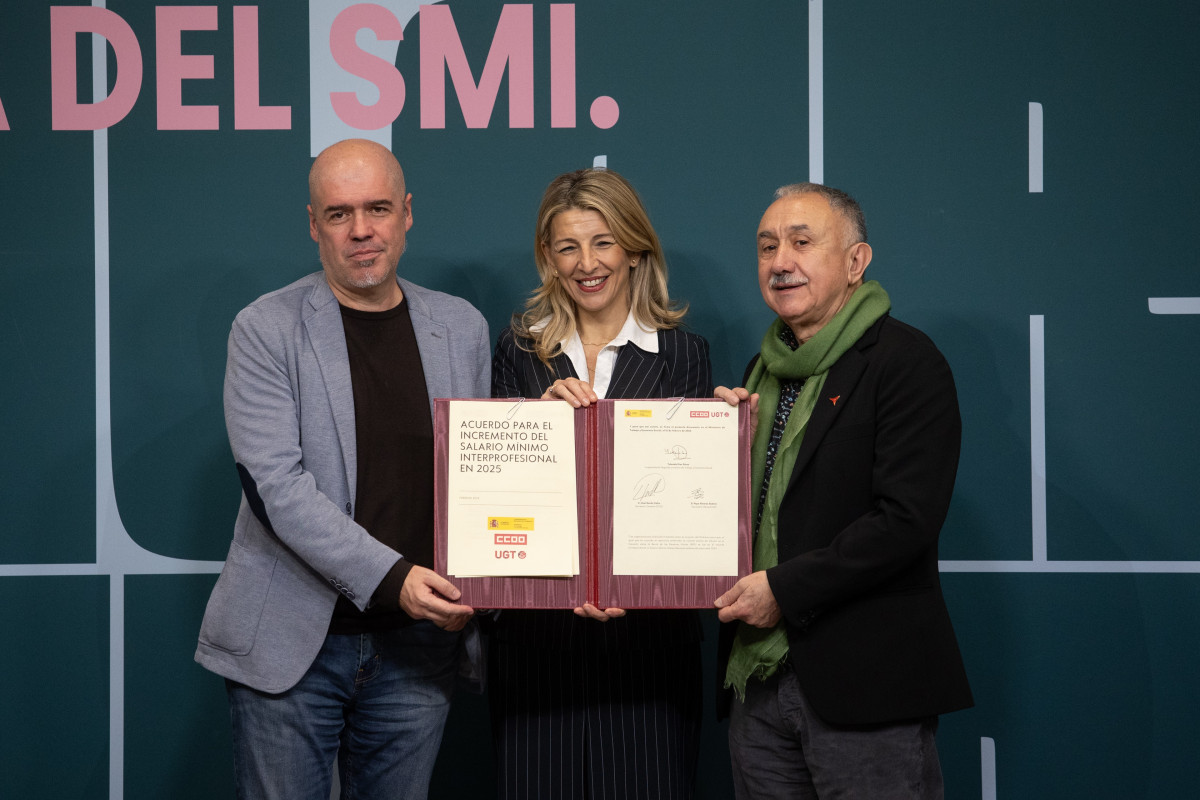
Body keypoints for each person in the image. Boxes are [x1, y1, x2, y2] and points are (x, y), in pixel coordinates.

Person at [194, 138, 490, 800]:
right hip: (293, 644)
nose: (361, 230)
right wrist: (395, 579)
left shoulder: (461, 327)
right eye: (339, 214)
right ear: (313, 224)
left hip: (418, 649)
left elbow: (488, 468)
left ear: (407, 213)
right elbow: (276, 489)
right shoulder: (265, 328)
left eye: (378, 208)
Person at [713, 183, 973, 798]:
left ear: (857, 262)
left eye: (803, 243)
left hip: (865, 688)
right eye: (767, 246)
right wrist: (715, 445)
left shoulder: (904, 361)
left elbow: (905, 520)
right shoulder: (760, 373)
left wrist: (781, 589)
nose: (781, 261)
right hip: (759, 682)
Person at [489, 168, 712, 799]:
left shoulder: (686, 355)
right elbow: (501, 498)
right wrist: (538, 421)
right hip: (537, 647)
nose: (587, 263)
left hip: (649, 649)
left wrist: (723, 427)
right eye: (568, 247)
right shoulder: (518, 353)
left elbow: (691, 510)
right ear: (549, 258)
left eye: (604, 242)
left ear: (636, 248)